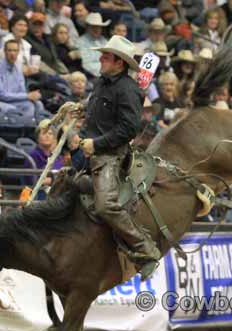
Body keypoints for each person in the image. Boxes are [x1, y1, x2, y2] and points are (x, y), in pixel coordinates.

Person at [78, 35, 160, 280]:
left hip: (110, 156)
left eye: (106, 56)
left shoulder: (128, 90)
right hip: (89, 150)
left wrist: (96, 143)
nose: (101, 58)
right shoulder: (101, 83)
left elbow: (128, 129)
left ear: (119, 63)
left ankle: (145, 247)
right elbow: (98, 114)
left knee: (105, 205)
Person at [0, 39, 43, 117]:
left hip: (16, 100)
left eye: (15, 51)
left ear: (18, 52)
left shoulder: (18, 67)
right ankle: (27, 127)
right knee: (29, 107)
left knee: (38, 104)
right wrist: (27, 96)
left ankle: (41, 127)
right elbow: (1, 95)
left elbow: (22, 91)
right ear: (4, 51)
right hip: (2, 101)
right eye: (9, 50)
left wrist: (32, 96)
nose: (12, 54)